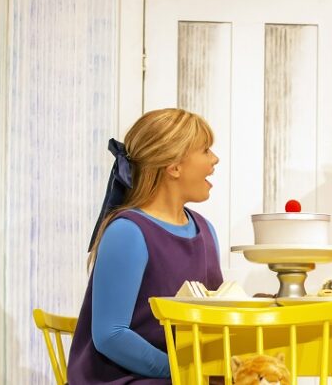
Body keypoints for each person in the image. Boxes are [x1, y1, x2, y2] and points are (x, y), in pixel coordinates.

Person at [68, 108, 222, 384]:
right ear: (174, 166)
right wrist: (180, 371)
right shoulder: (128, 232)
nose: (215, 159)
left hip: (186, 374)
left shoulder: (206, 230)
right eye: (205, 150)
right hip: (128, 376)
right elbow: (111, 335)